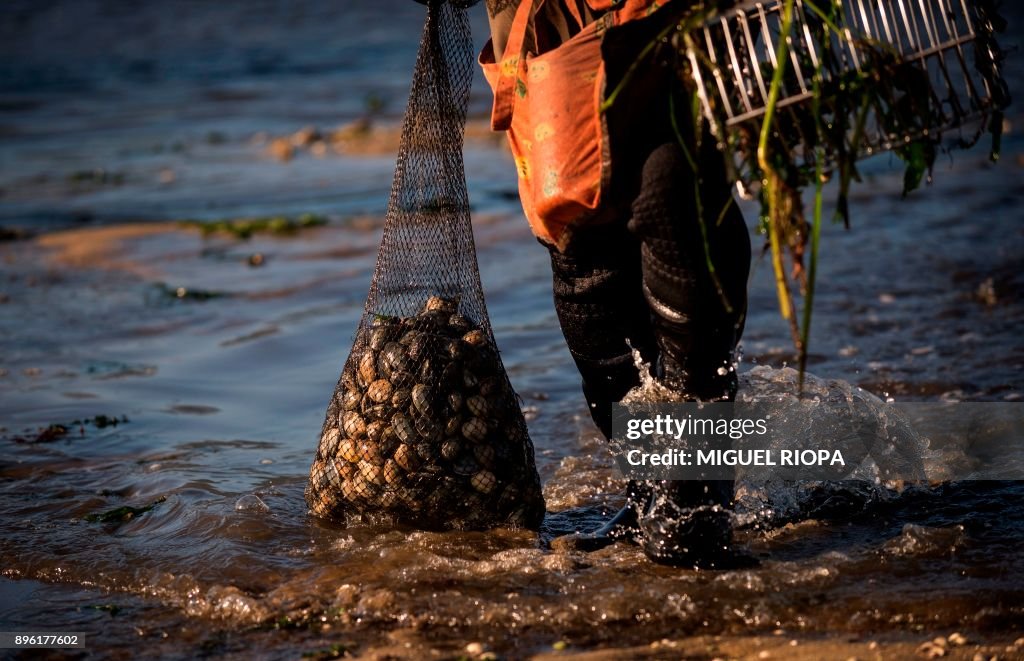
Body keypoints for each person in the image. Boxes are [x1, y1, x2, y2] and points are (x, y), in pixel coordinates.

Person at [422, 0, 751, 567]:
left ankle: (696, 492)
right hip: (544, 34)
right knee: (581, 247)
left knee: (672, 196)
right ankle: (651, 492)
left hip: (659, 24)